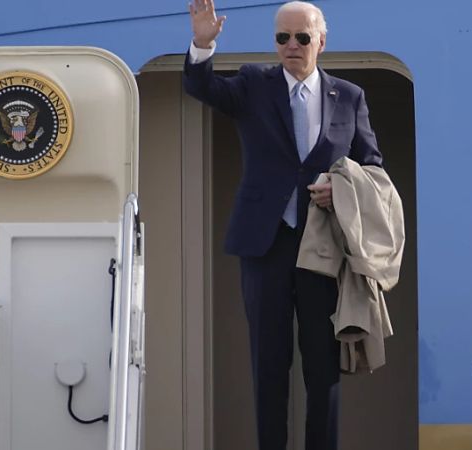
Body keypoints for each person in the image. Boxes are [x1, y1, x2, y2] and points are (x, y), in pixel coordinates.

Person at [184, 1, 384, 449]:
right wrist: (202, 43)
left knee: (322, 367)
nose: (291, 46)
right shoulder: (255, 83)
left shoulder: (349, 96)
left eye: (302, 37)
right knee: (269, 365)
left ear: (321, 41)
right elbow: (201, 87)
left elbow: (373, 168)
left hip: (325, 249)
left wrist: (342, 189)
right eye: (282, 38)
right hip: (265, 243)